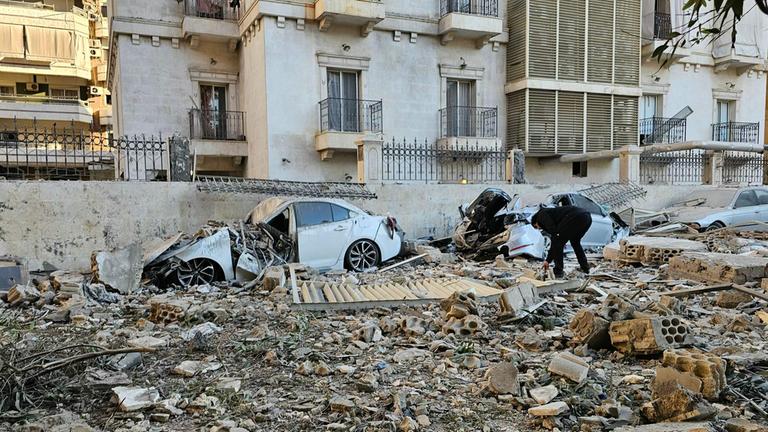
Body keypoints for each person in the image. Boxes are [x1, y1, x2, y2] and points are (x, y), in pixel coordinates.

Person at [530, 206, 593, 278]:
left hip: (575, 217)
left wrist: (547, 260)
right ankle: (585, 268)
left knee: (558, 242)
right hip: (587, 217)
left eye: (537, 227)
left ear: (536, 222)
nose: (540, 228)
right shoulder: (550, 213)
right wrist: (548, 260)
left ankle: (558, 272)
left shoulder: (541, 216)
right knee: (575, 242)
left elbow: (554, 233)